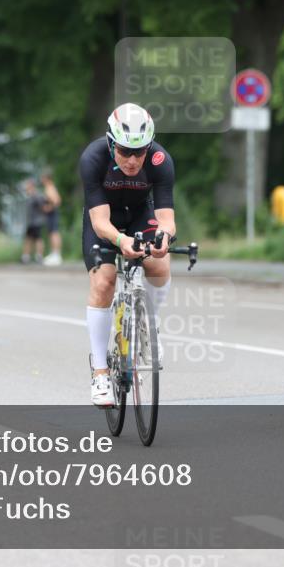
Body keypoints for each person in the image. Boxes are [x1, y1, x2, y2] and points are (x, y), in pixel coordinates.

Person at [80, 102, 175, 407]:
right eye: (124, 151)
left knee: (159, 263)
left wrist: (164, 237)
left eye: (140, 151)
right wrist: (121, 241)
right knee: (104, 282)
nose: (133, 160)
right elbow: (99, 221)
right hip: (104, 220)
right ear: (111, 144)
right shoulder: (93, 158)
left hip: (139, 214)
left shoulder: (160, 160)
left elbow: (166, 218)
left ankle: (149, 323)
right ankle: (100, 372)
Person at [40, 169, 63, 266]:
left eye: (42, 178)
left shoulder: (50, 188)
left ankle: (57, 255)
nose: (41, 180)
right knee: (51, 233)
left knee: (54, 233)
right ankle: (54, 253)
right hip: (50, 215)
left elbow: (57, 201)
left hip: (53, 214)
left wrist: (48, 208)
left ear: (46, 178)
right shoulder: (48, 187)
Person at [21, 179, 46, 264]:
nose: (26, 187)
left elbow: (43, 206)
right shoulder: (29, 196)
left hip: (37, 221)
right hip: (30, 222)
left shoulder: (37, 196)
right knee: (28, 239)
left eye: (27, 186)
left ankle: (39, 256)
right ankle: (25, 257)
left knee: (38, 239)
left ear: (31, 186)